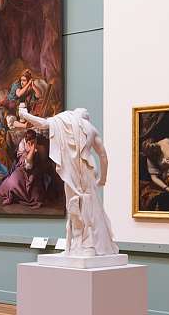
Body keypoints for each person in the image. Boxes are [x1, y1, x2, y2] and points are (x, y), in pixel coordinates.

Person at [19, 107, 118, 257]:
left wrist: (25, 115)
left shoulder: (64, 120)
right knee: (87, 204)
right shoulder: (91, 129)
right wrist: (103, 178)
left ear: (75, 114)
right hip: (87, 170)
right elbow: (103, 155)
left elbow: (43, 123)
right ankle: (85, 244)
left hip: (72, 171)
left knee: (74, 205)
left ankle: (82, 243)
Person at [0, 129, 49, 208]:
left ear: (36, 139)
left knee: (36, 196)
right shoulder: (22, 144)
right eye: (29, 142)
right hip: (22, 169)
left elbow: (44, 159)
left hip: (35, 173)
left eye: (33, 142)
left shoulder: (40, 145)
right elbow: (27, 165)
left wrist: (35, 148)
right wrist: (32, 151)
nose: (31, 144)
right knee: (12, 181)